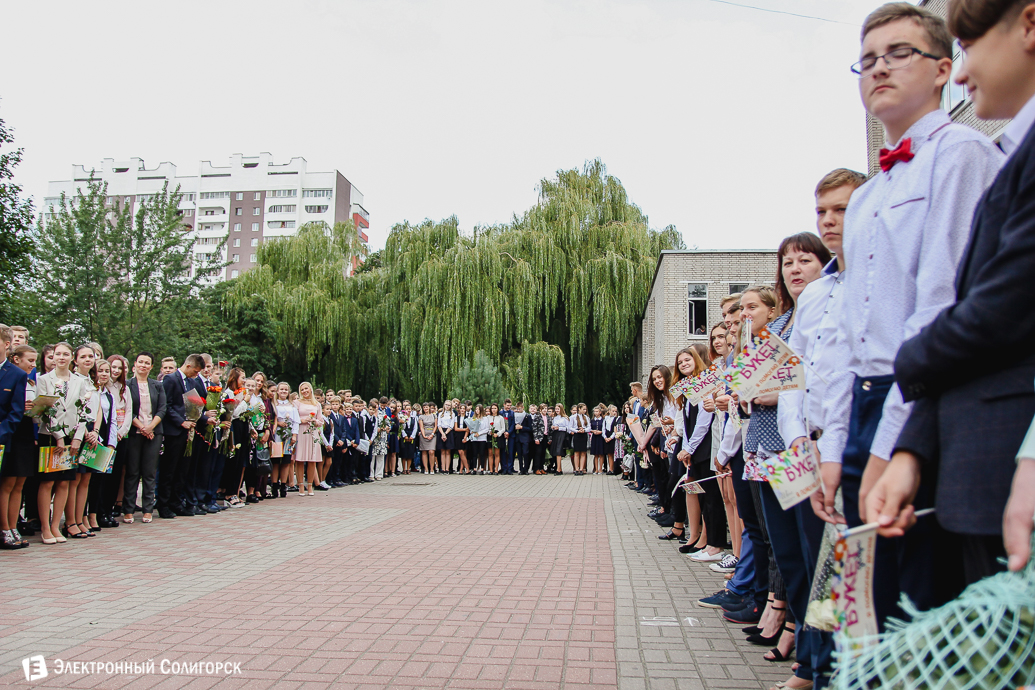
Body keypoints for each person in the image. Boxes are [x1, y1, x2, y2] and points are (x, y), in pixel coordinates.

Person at [817, 2, 1004, 628]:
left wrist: (890, 441)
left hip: (926, 403)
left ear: (944, 69)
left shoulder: (961, 157)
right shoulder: (867, 196)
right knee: (862, 607)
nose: (880, 70)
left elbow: (941, 305)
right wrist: (836, 444)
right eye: (867, 60)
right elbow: (846, 333)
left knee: (916, 602)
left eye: (900, 54)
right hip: (865, 402)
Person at [866, 0, 1035, 583]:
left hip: (984, 437)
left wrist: (903, 360)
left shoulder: (969, 154)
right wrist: (913, 446)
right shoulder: (1012, 154)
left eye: (968, 49)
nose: (963, 73)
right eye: (866, 62)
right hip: (941, 424)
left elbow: (988, 310)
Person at [158, 354, 203, 519]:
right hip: (173, 431)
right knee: (169, 469)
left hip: (188, 432)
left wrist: (205, 418)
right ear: (189, 366)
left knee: (182, 469)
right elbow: (167, 405)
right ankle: (163, 504)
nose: (196, 375)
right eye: (196, 371)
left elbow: (195, 405)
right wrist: (181, 421)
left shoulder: (191, 382)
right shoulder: (170, 379)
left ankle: (176, 502)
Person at [123, 352, 165, 525]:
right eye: (141, 362)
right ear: (135, 364)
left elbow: (162, 408)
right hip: (134, 432)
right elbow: (126, 409)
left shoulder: (157, 386)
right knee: (132, 472)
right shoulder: (126, 385)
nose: (143, 365)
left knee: (149, 472)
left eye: (147, 363)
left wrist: (150, 427)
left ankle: (148, 509)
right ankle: (128, 509)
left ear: (151, 366)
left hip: (154, 433)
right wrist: (141, 427)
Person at [0, 343, 33, 549]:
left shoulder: (17, 375)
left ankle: (10, 528)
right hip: (12, 435)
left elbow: (16, 410)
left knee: (13, 484)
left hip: (12, 435)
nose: (32, 364)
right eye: (29, 360)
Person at [294, 383, 324, 494]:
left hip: (312, 432)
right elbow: (294, 417)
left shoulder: (316, 404)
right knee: (300, 459)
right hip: (301, 431)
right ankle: (301, 485)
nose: (304, 391)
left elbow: (320, 421)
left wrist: (315, 421)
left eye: (306, 388)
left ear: (310, 389)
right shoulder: (296, 403)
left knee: (312, 459)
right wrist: (302, 420)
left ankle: (310, 485)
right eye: (302, 389)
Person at [569, 404, 590, 476]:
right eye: (583, 409)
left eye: (585, 409)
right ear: (579, 409)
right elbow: (570, 427)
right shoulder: (573, 417)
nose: (585, 411)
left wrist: (584, 430)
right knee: (577, 452)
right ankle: (576, 469)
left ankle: (581, 468)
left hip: (583, 434)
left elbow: (589, 427)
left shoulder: (586, 417)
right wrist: (576, 431)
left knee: (583, 452)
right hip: (577, 434)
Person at [418, 403, 437, 475]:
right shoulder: (421, 417)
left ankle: (432, 469)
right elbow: (421, 427)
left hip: (432, 433)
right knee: (424, 451)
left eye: (427, 407)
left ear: (429, 408)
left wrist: (432, 434)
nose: (425, 409)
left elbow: (436, 426)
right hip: (424, 434)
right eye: (424, 407)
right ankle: (426, 469)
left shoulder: (434, 415)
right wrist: (424, 435)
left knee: (431, 451)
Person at [550, 404, 569, 474]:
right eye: (556, 409)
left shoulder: (565, 418)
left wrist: (559, 428)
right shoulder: (554, 418)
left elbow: (568, 428)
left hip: (562, 434)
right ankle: (559, 468)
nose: (557, 410)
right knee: (555, 451)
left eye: (558, 409)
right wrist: (553, 427)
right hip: (555, 434)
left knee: (559, 451)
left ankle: (558, 469)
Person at [513, 402, 532, 475]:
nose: (518, 410)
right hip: (518, 437)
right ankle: (521, 469)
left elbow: (530, 428)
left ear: (523, 407)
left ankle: (526, 469)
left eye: (520, 409)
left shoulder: (527, 416)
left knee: (525, 453)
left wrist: (522, 427)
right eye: (517, 409)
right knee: (519, 454)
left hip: (525, 437)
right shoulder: (515, 416)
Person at [487, 403, 505, 474]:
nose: (493, 410)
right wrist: (489, 432)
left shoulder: (500, 418)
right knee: (490, 453)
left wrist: (498, 434)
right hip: (490, 435)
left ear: (497, 409)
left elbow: (503, 428)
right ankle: (491, 469)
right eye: (492, 408)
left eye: (495, 408)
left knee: (497, 454)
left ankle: (496, 469)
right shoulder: (488, 417)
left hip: (498, 435)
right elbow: (486, 427)